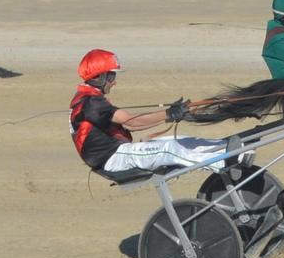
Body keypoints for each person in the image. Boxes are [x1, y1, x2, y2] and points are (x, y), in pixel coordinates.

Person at [69, 49, 224, 175]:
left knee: (183, 141)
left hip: (120, 152)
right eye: (111, 76)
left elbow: (130, 124)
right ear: (98, 77)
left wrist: (169, 115)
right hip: (113, 158)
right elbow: (132, 123)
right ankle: (222, 164)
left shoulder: (91, 99)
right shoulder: (90, 102)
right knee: (168, 149)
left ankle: (227, 148)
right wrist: (169, 114)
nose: (114, 82)